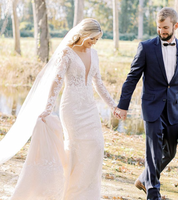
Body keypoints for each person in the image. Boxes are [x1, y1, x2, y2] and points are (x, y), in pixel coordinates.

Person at [0, 18, 116, 199]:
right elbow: (57, 81)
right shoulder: (67, 53)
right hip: (72, 108)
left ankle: (88, 193)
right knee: (77, 150)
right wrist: (48, 107)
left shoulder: (94, 54)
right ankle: (71, 192)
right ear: (84, 33)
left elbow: (98, 83)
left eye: (97, 40)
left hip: (90, 109)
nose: (93, 43)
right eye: (92, 38)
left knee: (96, 146)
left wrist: (112, 106)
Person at [114, 7, 178, 200]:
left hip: (173, 108)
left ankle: (144, 178)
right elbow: (132, 77)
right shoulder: (146, 47)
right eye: (159, 27)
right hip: (151, 107)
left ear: (175, 25)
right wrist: (123, 106)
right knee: (154, 149)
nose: (162, 31)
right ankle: (153, 192)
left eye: (166, 27)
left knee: (170, 151)